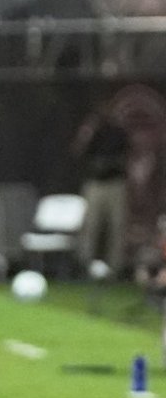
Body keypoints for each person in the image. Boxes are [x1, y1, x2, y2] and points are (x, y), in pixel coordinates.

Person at [72, 102, 129, 279]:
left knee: (117, 225)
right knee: (90, 225)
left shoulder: (118, 132)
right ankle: (85, 265)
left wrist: (110, 163)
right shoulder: (92, 132)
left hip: (115, 183)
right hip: (95, 184)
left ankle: (115, 268)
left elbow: (127, 155)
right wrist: (86, 133)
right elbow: (77, 151)